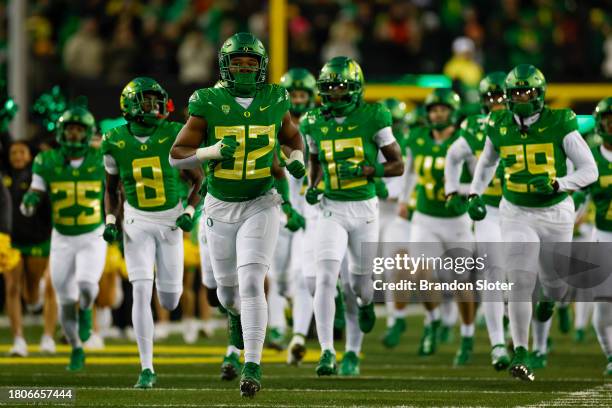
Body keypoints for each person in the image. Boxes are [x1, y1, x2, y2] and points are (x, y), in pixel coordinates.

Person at [168, 32, 305, 397]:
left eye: (251, 63)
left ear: (261, 67)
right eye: (238, 63)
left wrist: (297, 159)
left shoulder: (276, 97)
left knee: (251, 281)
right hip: (220, 204)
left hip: (261, 202)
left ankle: (253, 364)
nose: (244, 69)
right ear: (225, 66)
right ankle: (234, 321)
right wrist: (211, 151)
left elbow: (293, 137)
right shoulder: (208, 101)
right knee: (228, 296)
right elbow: (176, 154)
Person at [467, 64, 598, 381]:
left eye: (527, 92)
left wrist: (559, 184)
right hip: (516, 210)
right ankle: (521, 351)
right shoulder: (498, 123)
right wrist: (474, 192)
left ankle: (551, 303)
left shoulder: (560, 122)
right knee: (519, 281)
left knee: (553, 284)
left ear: (539, 94)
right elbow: (487, 162)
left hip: (555, 212)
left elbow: (589, 170)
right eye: (516, 93)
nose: (521, 97)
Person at [304, 56, 404, 376]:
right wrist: (312, 184)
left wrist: (369, 170)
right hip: (331, 208)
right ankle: (327, 352)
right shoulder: (312, 121)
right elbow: (315, 161)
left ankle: (359, 331)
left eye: (340, 87)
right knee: (325, 278)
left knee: (358, 288)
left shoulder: (374, 116)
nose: (333, 94)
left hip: (364, 208)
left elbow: (397, 165)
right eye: (328, 88)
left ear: (355, 88)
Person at [102, 77, 203, 388]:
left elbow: (201, 180)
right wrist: (109, 220)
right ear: (131, 104)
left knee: (170, 299)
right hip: (136, 221)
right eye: (146, 101)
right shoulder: (114, 140)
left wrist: (189, 211)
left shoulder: (173, 133)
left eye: (156, 100)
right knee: (141, 290)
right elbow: (111, 189)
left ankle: (169, 307)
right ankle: (146, 367)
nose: (154, 107)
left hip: (171, 220)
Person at [21, 107, 106, 371]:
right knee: (64, 299)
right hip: (62, 238)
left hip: (92, 234)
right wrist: (30, 201)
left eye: (79, 129)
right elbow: (35, 189)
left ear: (89, 133)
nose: (73, 134)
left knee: (86, 284)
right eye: (70, 129)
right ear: (61, 132)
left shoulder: (101, 157)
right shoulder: (46, 161)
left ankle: (87, 311)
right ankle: (76, 349)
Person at [399, 88, 477, 365]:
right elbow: (410, 170)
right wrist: (404, 198)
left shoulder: (463, 140)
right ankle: (432, 321)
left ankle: (467, 335)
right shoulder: (417, 138)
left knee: (460, 282)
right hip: (425, 216)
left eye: (442, 109)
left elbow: (480, 175)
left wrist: (462, 194)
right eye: (433, 110)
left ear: (453, 112)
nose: (437, 114)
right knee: (420, 273)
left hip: (456, 221)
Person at [444, 72, 511, 369]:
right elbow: (452, 155)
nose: (496, 103)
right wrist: (453, 188)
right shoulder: (474, 126)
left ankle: (527, 336)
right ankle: (497, 342)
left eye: (501, 97)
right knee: (492, 273)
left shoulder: (525, 126)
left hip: (523, 208)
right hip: (488, 210)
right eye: (491, 98)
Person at [4, 141, 56, 356]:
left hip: (37, 240)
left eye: (21, 152)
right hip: (11, 241)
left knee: (32, 292)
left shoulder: (38, 176)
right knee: (12, 288)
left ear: (29, 155)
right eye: (13, 152)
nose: (17, 156)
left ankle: (47, 337)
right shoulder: (4, 178)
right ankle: (18, 339)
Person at [586, 97, 612, 376]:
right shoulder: (591, 155)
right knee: (603, 308)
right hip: (603, 235)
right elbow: (577, 193)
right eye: (609, 119)